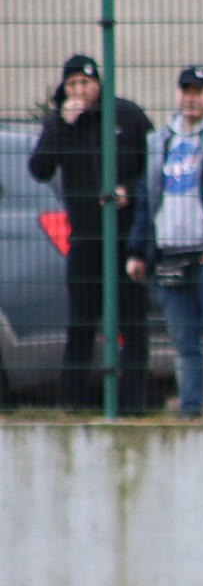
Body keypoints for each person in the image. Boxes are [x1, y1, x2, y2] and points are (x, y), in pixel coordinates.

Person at [28, 53, 154, 413]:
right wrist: (61, 124)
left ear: (98, 83)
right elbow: (39, 168)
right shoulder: (62, 124)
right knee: (81, 323)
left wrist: (129, 192)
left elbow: (152, 168)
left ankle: (133, 406)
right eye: (72, 84)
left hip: (126, 239)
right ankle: (71, 403)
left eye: (85, 83)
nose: (79, 90)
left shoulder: (127, 116)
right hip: (85, 239)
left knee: (133, 324)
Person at [126, 66, 203, 418]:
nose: (192, 98)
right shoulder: (161, 141)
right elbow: (147, 199)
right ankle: (190, 411)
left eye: (199, 91)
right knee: (183, 342)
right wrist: (137, 250)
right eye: (186, 91)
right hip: (169, 255)